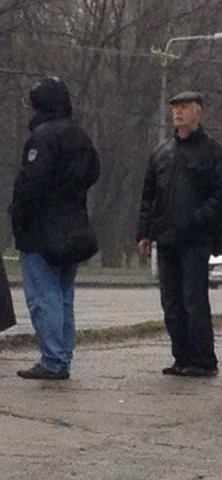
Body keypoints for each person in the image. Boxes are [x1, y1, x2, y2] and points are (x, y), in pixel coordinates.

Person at [136, 91, 222, 377]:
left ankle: (203, 359)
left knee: (194, 300)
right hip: (165, 237)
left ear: (197, 113)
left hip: (195, 238)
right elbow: (148, 197)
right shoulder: (162, 153)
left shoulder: (213, 151)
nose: (177, 113)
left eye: (184, 108)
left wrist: (198, 219)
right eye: (175, 108)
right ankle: (181, 356)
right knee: (171, 301)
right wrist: (144, 233)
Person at [10, 76, 100, 380]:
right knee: (63, 296)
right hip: (74, 225)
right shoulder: (80, 135)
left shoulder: (43, 136)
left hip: (42, 230)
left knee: (42, 297)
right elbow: (93, 172)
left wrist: (18, 216)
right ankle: (62, 356)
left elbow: (32, 183)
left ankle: (53, 359)